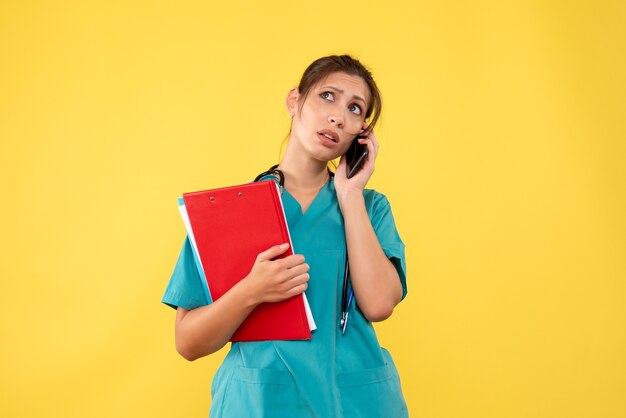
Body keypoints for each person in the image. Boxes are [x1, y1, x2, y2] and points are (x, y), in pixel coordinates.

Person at [162, 54, 409, 417]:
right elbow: (188, 342)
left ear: (361, 132)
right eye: (328, 96)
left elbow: (379, 304)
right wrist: (252, 290)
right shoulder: (228, 210)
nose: (338, 116)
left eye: (355, 108)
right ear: (295, 101)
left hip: (353, 404)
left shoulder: (370, 207)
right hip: (260, 404)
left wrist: (350, 194)